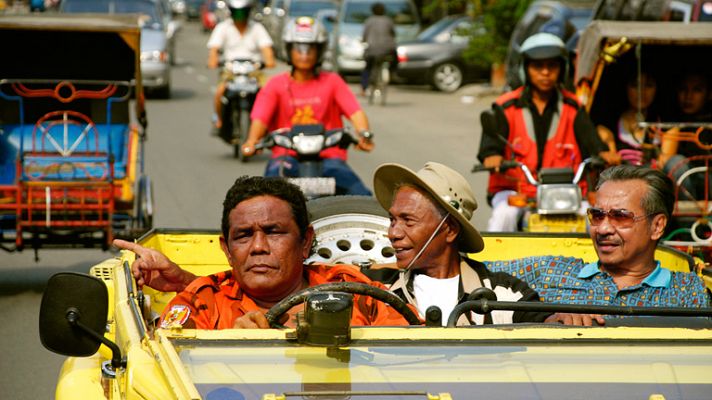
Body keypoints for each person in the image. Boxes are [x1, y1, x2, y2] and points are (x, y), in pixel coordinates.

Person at [114, 176, 409, 329]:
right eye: (243, 236)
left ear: (305, 241)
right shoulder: (201, 302)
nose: (257, 247)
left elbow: (412, 355)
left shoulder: (354, 290)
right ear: (226, 250)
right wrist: (238, 348)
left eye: (273, 232)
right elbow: (164, 376)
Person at [486, 164, 711, 316]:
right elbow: (469, 270)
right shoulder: (549, 271)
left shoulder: (687, 291)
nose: (603, 228)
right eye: (597, 215)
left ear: (657, 226)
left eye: (620, 217)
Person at [366, 162, 565, 326]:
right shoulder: (373, 286)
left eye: (408, 221)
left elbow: (544, 322)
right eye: (393, 220)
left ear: (450, 229)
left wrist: (561, 319)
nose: (393, 233)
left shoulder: (503, 292)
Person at [477, 32, 610, 232]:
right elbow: (490, 144)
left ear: (562, 68)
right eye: (538, 66)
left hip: (564, 193)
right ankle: (492, 263)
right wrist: (492, 156)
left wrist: (604, 154)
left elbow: (592, 142)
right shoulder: (505, 107)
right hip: (516, 190)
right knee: (504, 215)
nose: (545, 72)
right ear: (525, 69)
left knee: (592, 221)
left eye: (552, 66)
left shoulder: (573, 108)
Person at [241, 16, 374, 196]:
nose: (304, 54)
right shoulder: (275, 85)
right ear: (289, 49)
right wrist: (252, 140)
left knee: (363, 199)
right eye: (298, 48)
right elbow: (260, 118)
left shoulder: (333, 82)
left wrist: (363, 133)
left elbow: (355, 112)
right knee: (266, 200)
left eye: (310, 48)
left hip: (330, 159)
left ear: (319, 51)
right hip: (286, 158)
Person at [207, 0, 275, 134]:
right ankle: (219, 119)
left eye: (242, 12)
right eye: (237, 12)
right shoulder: (223, 27)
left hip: (254, 71)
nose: (240, 16)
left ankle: (268, 123)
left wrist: (268, 61)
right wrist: (213, 61)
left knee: (268, 92)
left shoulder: (257, 28)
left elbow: (267, 50)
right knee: (220, 92)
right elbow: (214, 49)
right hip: (230, 70)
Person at [660, 71, 711, 200]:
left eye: (697, 90)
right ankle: (689, 221)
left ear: (709, 94)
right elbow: (666, 158)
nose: (688, 96)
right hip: (683, 183)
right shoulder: (671, 121)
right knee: (675, 162)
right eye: (683, 89)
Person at [596, 70, 660, 167]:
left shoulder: (664, 124)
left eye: (648, 85)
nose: (641, 92)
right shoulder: (609, 126)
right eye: (635, 85)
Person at [360, 2, 396, 96]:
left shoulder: (369, 21)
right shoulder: (388, 20)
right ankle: (393, 75)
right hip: (387, 49)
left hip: (372, 50)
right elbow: (393, 34)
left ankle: (364, 88)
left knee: (367, 68)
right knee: (395, 60)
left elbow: (364, 36)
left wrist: (363, 41)